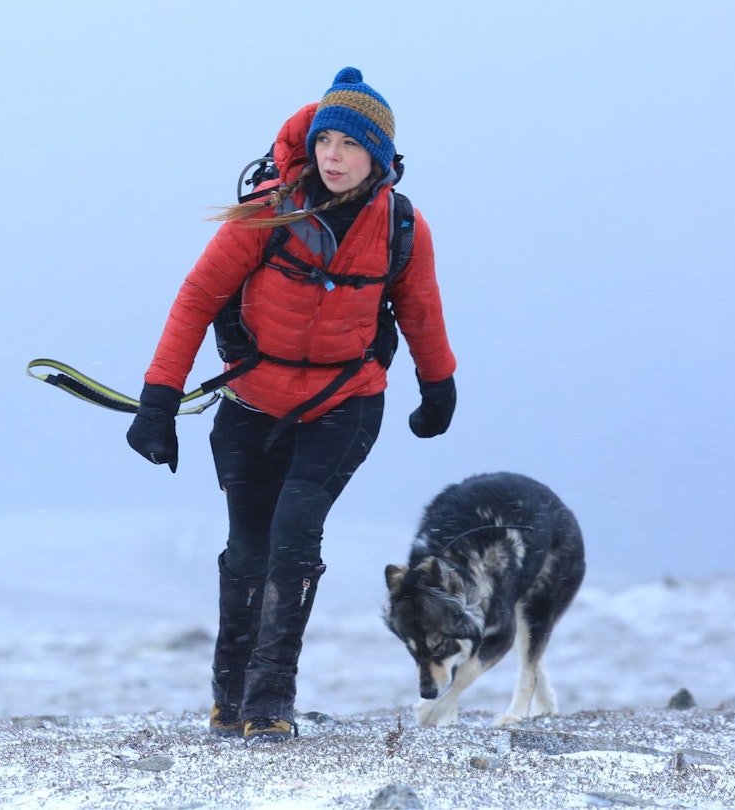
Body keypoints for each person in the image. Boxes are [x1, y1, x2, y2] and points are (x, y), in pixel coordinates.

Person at [126, 67, 458, 745]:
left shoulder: (402, 225)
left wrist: (438, 384)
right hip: (253, 403)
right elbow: (196, 298)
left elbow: (419, 307)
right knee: (248, 548)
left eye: (349, 144)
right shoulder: (268, 213)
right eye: (325, 140)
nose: (332, 155)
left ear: (379, 157)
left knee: (295, 534)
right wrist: (157, 400)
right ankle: (229, 698)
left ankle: (271, 702)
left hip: (345, 403)